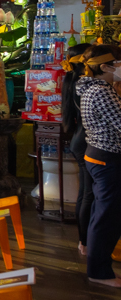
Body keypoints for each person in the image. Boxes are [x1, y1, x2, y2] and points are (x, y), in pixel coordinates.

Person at [76, 45, 121, 287]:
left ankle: (99, 265)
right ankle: (100, 272)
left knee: (102, 215)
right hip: (107, 158)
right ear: (105, 67)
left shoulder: (95, 88)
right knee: (107, 218)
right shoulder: (102, 91)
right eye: (118, 63)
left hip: (99, 156)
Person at [62, 44, 93, 255]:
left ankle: (84, 240)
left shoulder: (74, 82)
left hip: (79, 139)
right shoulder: (86, 86)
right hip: (85, 141)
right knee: (88, 194)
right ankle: (85, 241)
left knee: (85, 192)